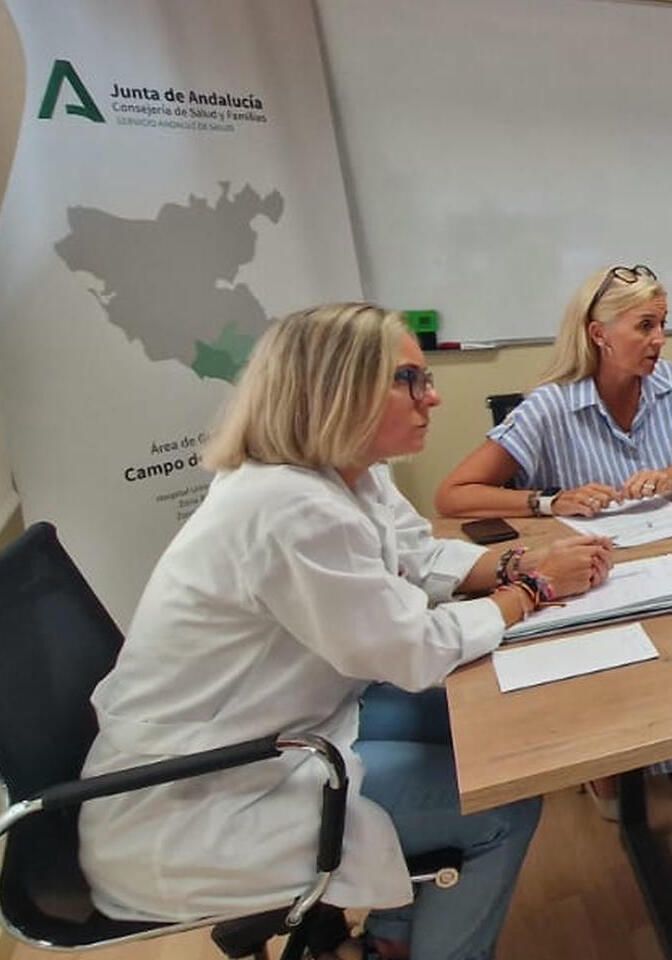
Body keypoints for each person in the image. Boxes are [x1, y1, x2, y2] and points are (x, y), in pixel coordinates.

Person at [79, 304, 613, 960]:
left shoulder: (344, 475)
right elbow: (413, 651)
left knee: (474, 721)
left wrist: (512, 563)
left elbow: (416, 553)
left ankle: (386, 939)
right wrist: (529, 591)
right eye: (410, 380)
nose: (433, 396)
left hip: (265, 739)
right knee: (503, 810)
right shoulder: (286, 507)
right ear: (339, 391)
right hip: (193, 804)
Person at [436, 264, 672, 517]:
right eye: (645, 326)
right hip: (585, 561)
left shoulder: (671, 381)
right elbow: (452, 495)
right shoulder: (549, 405)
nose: (660, 339)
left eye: (662, 325)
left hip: (667, 542)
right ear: (599, 334)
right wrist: (549, 502)